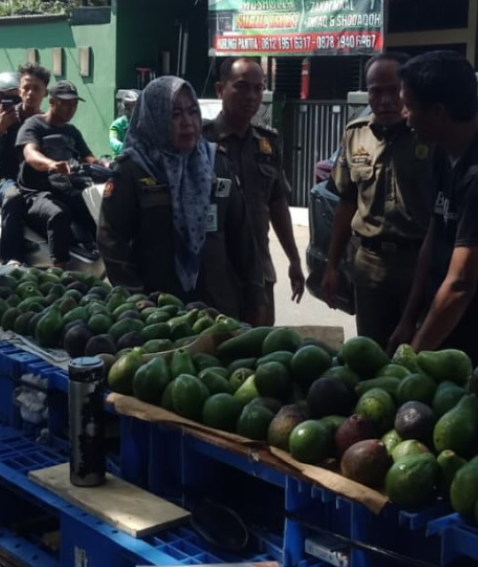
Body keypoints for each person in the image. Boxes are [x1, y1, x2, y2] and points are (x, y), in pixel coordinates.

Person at [388, 51, 478, 367]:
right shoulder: (445, 153)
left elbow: (460, 285)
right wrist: (408, 318)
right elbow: (434, 238)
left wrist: (413, 358)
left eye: (410, 106)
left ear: (439, 112)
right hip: (447, 334)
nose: (404, 114)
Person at [98, 76, 265, 322]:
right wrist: (135, 297)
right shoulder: (132, 170)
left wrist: (256, 296)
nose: (187, 123)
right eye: (175, 114)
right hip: (158, 311)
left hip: (219, 306)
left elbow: (242, 237)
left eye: (192, 112)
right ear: (154, 117)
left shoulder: (216, 161)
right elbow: (111, 240)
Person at [321, 52, 434, 349]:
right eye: (375, 91)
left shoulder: (429, 135)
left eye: (393, 90)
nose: (385, 100)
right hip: (369, 265)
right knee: (370, 353)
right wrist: (332, 265)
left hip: (418, 265)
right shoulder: (355, 134)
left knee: (416, 355)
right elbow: (346, 203)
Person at [203, 57, 304, 325]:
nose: (251, 96)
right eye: (242, 87)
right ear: (220, 89)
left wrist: (294, 259)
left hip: (259, 270)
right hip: (214, 271)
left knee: (260, 354)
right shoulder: (202, 142)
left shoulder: (267, 143)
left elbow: (277, 202)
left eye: (258, 89)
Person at [16, 80, 102, 268]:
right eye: (66, 103)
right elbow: (30, 154)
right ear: (52, 102)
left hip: (66, 190)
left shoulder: (72, 131)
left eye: (74, 104)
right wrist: (51, 164)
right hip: (35, 194)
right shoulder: (34, 125)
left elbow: (89, 157)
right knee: (59, 213)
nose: (71, 108)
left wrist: (107, 164)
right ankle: (59, 272)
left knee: (101, 211)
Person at [0, 66, 49, 264]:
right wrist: (1, 129)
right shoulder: (4, 117)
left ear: (45, 92)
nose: (30, 93)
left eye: (36, 88)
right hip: (4, 179)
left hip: (33, 178)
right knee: (13, 197)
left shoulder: (44, 120)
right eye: (26, 88)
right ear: (20, 90)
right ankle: (12, 260)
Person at [109, 89, 139, 156]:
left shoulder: (143, 122)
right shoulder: (116, 125)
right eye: (127, 105)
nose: (129, 108)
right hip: (122, 160)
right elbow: (113, 142)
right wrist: (129, 148)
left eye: (133, 105)